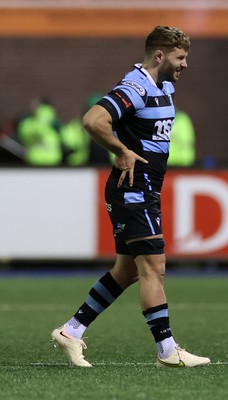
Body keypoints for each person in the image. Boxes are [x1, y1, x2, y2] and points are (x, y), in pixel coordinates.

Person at [51, 26, 210, 368]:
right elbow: (94, 119)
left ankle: (71, 331)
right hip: (134, 190)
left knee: (127, 270)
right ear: (159, 55)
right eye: (180, 57)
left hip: (144, 189)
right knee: (155, 266)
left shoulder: (163, 86)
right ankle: (168, 352)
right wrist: (120, 150)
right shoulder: (135, 88)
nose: (185, 65)